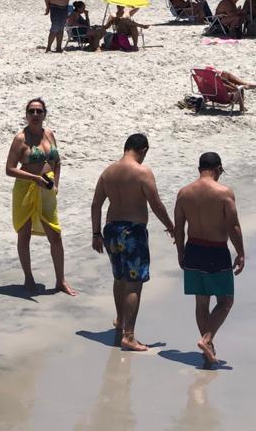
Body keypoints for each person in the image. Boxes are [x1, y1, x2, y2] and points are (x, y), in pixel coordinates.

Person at [90, 133, 175, 351]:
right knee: (134, 284)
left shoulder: (108, 172)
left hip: (111, 231)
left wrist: (96, 234)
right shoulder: (142, 172)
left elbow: (96, 204)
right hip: (133, 232)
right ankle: (128, 335)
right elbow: (156, 205)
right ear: (144, 150)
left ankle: (120, 319)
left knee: (119, 278)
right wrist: (171, 227)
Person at [174, 152, 245, 365]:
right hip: (215, 250)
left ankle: (209, 346)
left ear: (199, 169)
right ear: (219, 169)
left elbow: (179, 228)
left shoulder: (184, 193)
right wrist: (241, 252)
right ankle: (207, 339)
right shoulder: (224, 193)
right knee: (225, 301)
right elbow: (233, 226)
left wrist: (180, 252)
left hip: (193, 249)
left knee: (201, 301)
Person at [5, 97, 76, 295]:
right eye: (31, 111)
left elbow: (58, 161)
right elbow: (9, 169)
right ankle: (28, 277)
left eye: (39, 111)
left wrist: (57, 184)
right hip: (26, 187)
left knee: (55, 233)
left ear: (44, 114)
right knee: (24, 232)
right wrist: (35, 179)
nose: (35, 115)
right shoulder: (20, 139)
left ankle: (60, 280)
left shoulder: (50, 134)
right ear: (26, 115)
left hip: (47, 185)